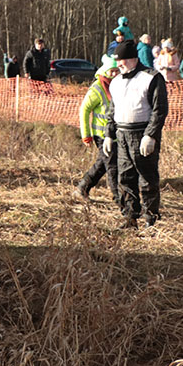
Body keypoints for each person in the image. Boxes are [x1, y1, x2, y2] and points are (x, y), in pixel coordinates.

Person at [105, 39, 168, 229]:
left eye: (122, 61)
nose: (119, 65)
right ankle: (130, 217)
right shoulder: (115, 82)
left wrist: (151, 135)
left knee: (147, 178)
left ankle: (151, 219)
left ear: (133, 59)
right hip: (122, 134)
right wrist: (109, 134)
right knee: (125, 178)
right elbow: (112, 110)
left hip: (142, 135)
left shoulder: (151, 77)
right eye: (116, 61)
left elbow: (160, 110)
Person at [74, 55, 120, 203]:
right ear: (105, 71)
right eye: (111, 71)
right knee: (112, 166)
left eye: (116, 70)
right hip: (101, 135)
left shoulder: (119, 85)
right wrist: (86, 135)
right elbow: (84, 110)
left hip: (116, 134)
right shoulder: (97, 88)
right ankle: (119, 198)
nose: (114, 74)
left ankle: (82, 188)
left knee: (102, 164)